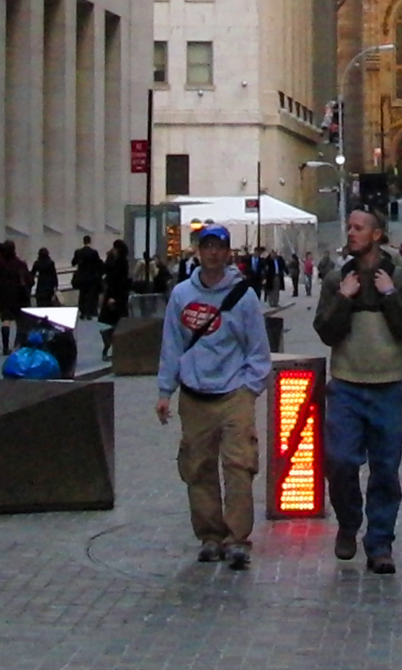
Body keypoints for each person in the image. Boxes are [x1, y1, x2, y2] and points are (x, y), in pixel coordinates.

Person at [155, 223, 271, 570]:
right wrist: (165, 391)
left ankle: (237, 538)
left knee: (239, 466)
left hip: (234, 393)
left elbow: (258, 348)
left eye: (219, 247)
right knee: (197, 466)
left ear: (227, 252)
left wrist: (250, 388)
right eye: (207, 246)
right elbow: (172, 345)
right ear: (198, 251)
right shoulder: (181, 295)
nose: (213, 253)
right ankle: (209, 535)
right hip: (194, 394)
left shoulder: (243, 296)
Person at [313, 208, 402, 575]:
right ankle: (348, 521)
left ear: (377, 235)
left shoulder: (400, 279)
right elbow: (326, 331)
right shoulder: (336, 279)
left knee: (385, 470)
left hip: (388, 386)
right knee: (340, 461)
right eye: (349, 227)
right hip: (346, 385)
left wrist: (389, 295)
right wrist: (344, 298)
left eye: (358, 228)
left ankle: (379, 544)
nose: (351, 232)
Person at [0, 240, 31, 352]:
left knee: (6, 320)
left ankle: (5, 346)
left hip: (4, 297)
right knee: (20, 321)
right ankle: (18, 343)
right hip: (19, 296)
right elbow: (29, 280)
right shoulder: (20, 264)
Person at [71, 234, 105, 318]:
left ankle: (82, 312)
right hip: (91, 277)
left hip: (81, 277)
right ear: (90, 241)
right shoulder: (94, 252)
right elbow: (98, 263)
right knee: (90, 295)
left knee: (82, 294)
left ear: (83, 241)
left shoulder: (78, 252)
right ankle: (89, 313)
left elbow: (73, 263)